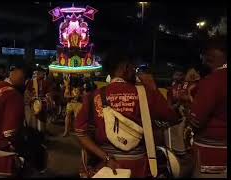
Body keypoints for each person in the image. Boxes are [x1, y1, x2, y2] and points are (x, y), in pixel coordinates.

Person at [74, 48, 180, 178]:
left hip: (105, 168)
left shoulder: (94, 96)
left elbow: (80, 132)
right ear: (125, 67)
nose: (134, 71)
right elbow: (171, 118)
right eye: (133, 67)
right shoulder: (144, 93)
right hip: (139, 168)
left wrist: (106, 157)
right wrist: (153, 88)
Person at [186, 37, 227, 177]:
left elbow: (196, 119)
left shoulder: (211, 81)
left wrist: (188, 111)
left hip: (211, 154)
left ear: (211, 56)